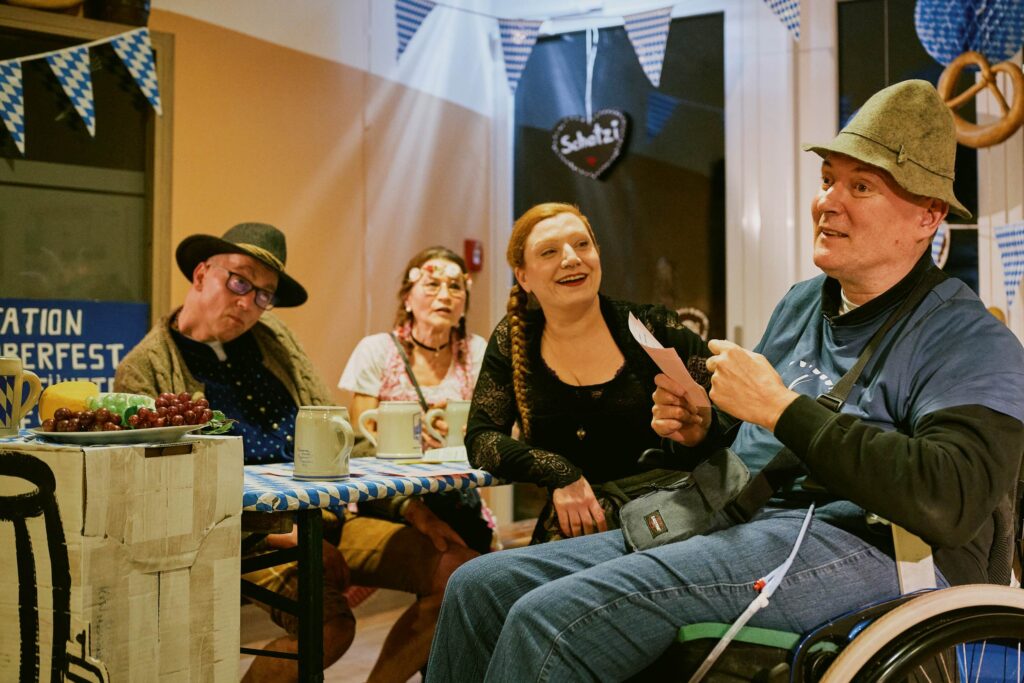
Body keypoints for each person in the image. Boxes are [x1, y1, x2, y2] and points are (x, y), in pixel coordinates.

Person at [425, 80, 1024, 681]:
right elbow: (749, 440)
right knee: (479, 587)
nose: (828, 202)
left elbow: (950, 500)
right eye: (827, 180)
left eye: (860, 186)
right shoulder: (803, 303)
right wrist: (703, 428)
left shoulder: (968, 338)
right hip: (744, 514)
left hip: (872, 543)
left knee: (550, 620)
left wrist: (783, 408)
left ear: (928, 215)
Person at [115, 223, 475, 683]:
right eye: (240, 282)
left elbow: (340, 435)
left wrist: (410, 508)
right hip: (244, 535)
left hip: (325, 515)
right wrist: (282, 533)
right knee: (327, 628)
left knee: (460, 572)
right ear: (202, 273)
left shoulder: (274, 339)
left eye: (264, 294)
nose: (249, 303)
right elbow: (166, 491)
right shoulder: (145, 369)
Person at [466, 202, 710, 544]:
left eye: (582, 244)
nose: (571, 258)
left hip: (666, 524)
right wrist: (560, 473)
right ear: (523, 277)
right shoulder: (514, 338)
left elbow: (729, 410)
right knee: (480, 574)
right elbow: (481, 440)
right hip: (573, 531)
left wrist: (700, 427)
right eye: (549, 251)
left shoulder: (651, 326)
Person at [339, 246, 493, 553]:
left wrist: (475, 429)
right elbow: (359, 440)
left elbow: (497, 427)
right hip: (388, 498)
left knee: (476, 557)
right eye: (432, 284)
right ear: (408, 299)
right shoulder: (377, 350)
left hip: (458, 498)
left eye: (455, 287)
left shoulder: (476, 351)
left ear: (464, 303)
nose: (445, 295)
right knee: (454, 559)